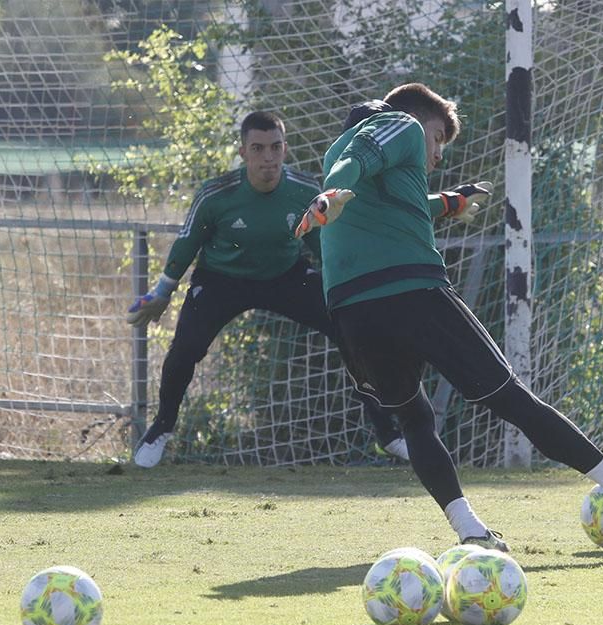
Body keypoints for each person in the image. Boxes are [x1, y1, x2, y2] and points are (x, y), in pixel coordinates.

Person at [295, 83, 603, 551]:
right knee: (513, 400)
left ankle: (471, 531)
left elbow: (378, 194)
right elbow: (352, 165)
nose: (436, 153)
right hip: (414, 293)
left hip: (353, 311)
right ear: (417, 119)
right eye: (439, 137)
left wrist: (448, 202)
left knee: (416, 422)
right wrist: (331, 193)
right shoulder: (401, 124)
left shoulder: (352, 152)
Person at [126, 110, 406, 468]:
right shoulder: (216, 195)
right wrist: (163, 292)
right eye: (258, 149)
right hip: (221, 280)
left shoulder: (306, 191)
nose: (268, 158)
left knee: (354, 329)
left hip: (286, 276)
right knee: (186, 347)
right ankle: (162, 427)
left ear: (285, 149)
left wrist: (353, 292)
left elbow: (326, 247)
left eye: (275, 147)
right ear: (243, 153)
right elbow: (187, 243)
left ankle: (388, 432)